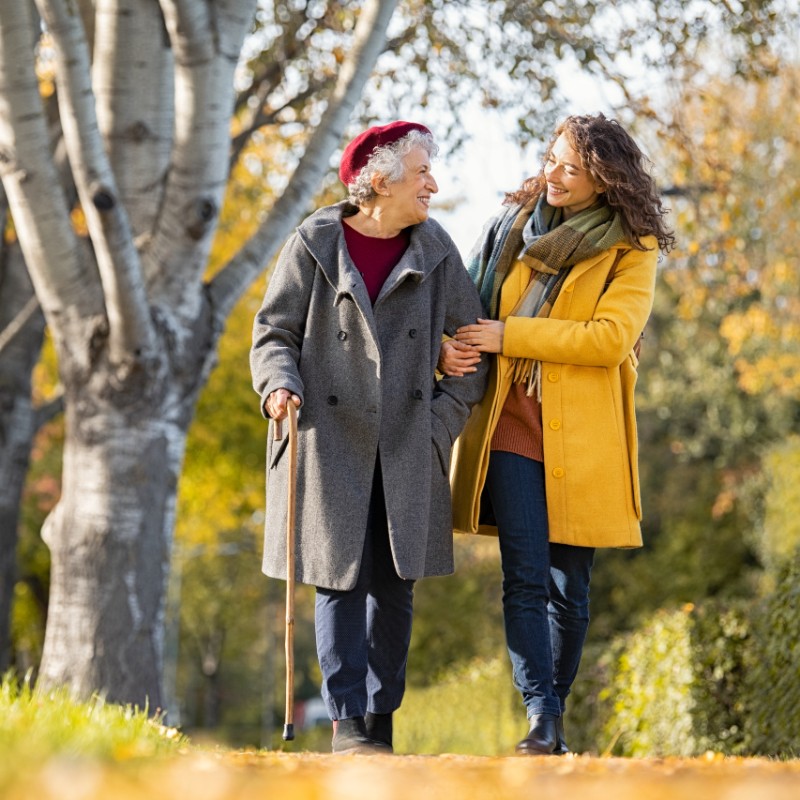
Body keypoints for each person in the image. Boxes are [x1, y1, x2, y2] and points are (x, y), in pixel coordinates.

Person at [250, 121, 488, 754]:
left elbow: (473, 350)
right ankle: (348, 724)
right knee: (339, 579)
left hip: (409, 440)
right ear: (379, 183)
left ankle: (381, 722)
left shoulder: (436, 248)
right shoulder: (315, 243)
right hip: (329, 438)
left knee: (394, 584)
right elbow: (274, 333)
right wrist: (277, 385)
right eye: (421, 174)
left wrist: (439, 425)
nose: (433, 185)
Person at [442, 113, 675, 755]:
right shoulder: (512, 229)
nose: (553, 175)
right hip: (511, 424)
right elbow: (465, 303)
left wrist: (511, 336)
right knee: (524, 576)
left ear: (604, 181)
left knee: (570, 589)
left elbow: (608, 339)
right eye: (551, 159)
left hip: (585, 438)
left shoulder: (632, 248)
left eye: (571, 168)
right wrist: (449, 345)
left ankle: (555, 714)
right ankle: (541, 719)